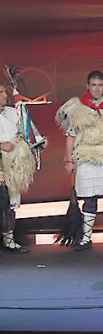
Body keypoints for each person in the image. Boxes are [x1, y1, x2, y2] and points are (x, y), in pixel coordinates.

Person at [55, 70, 103, 251]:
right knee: (89, 201)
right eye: (93, 85)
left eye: (100, 85)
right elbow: (70, 136)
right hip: (86, 158)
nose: (97, 89)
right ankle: (86, 238)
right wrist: (69, 160)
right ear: (87, 86)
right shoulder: (76, 108)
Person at [0, 84, 34, 253]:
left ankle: (9, 240)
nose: (5, 95)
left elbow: (24, 132)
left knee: (10, 200)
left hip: (13, 163)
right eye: (0, 92)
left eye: (5, 92)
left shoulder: (13, 112)